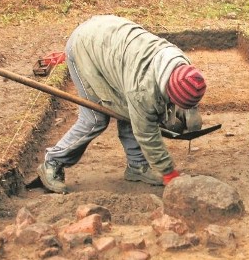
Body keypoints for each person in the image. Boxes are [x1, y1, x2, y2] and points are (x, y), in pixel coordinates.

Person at [37, 15, 207, 193]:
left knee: (128, 108)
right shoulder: (141, 90)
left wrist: (188, 111)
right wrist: (168, 172)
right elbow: (146, 133)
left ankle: (136, 165)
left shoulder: (181, 64)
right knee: (95, 119)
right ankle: (53, 161)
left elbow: (189, 86)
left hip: (111, 41)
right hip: (85, 47)